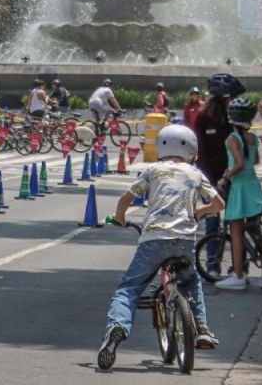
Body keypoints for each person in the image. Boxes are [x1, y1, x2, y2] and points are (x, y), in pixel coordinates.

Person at [99, 124, 224, 371]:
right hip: (184, 240)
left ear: (159, 149)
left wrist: (120, 217)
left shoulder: (152, 170)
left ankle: (117, 328)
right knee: (191, 282)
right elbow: (218, 203)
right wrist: (200, 212)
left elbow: (126, 199)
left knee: (130, 288)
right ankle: (202, 328)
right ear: (192, 150)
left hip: (153, 239)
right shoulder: (195, 173)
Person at [214, 97, 262, 290]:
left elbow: (239, 164)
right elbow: (254, 160)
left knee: (236, 231)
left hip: (240, 187)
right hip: (253, 185)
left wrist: (225, 176)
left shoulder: (232, 138)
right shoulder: (253, 138)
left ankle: (238, 275)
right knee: (255, 229)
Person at [194, 73, 243, 276]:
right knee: (212, 224)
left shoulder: (235, 119)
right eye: (231, 99)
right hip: (212, 180)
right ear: (222, 97)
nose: (233, 102)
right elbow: (201, 152)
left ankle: (238, 266)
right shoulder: (204, 119)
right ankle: (213, 265)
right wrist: (210, 182)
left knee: (236, 225)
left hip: (233, 178)